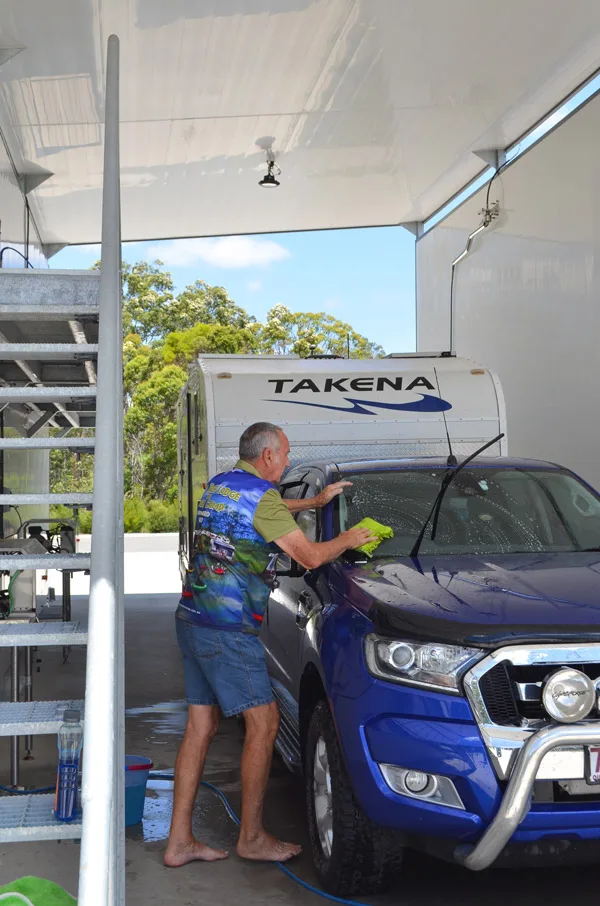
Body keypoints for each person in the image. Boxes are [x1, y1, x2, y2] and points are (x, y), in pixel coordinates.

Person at [165, 422, 376, 868]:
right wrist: (351, 539)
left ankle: (179, 841)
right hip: (227, 629)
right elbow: (311, 557)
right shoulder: (262, 499)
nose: (285, 462)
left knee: (199, 728)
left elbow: (269, 507)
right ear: (267, 458)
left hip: (192, 619)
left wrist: (315, 503)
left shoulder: (223, 485)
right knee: (264, 723)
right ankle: (252, 837)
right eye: (283, 455)